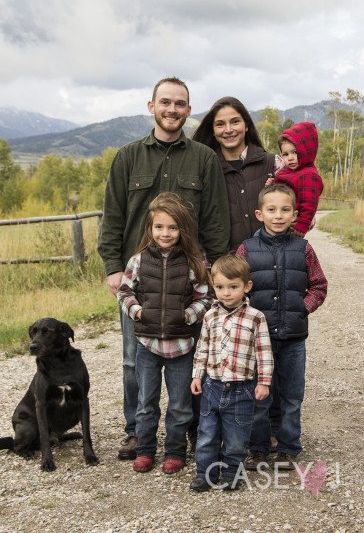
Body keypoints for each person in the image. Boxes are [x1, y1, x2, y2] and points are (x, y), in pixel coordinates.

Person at [98, 77, 230, 460]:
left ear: (189, 111)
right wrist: (112, 268)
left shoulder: (204, 159)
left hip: (189, 282)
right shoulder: (127, 157)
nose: (172, 109)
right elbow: (113, 218)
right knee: (132, 359)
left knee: (189, 358)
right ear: (151, 106)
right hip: (139, 281)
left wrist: (215, 275)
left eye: (180, 104)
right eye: (165, 102)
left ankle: (185, 431)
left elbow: (215, 220)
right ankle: (135, 434)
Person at [117, 193, 212, 474]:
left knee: (180, 405)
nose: (165, 233)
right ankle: (145, 449)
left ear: (181, 230)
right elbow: (124, 291)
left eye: (172, 227)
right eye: (159, 227)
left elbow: (205, 298)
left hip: (182, 346)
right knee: (146, 403)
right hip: (146, 344)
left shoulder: (193, 262)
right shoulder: (138, 261)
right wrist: (137, 312)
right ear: (150, 229)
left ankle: (174, 450)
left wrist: (188, 315)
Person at [236, 183, 327, 470]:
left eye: (285, 210)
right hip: (258, 341)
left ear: (295, 214)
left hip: (293, 338)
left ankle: (288, 448)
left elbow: (319, 285)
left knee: (291, 395)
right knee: (260, 395)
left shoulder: (304, 249)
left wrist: (303, 307)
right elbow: (237, 288)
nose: (278, 215)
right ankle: (259, 447)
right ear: (259, 214)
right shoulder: (247, 249)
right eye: (272, 210)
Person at [189, 254, 273, 492]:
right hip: (212, 386)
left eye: (233, 287)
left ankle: (231, 474)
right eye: (220, 287)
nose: (226, 293)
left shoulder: (255, 318)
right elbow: (202, 347)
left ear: (247, 286)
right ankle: (205, 474)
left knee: (237, 437)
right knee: (206, 435)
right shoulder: (209, 316)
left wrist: (264, 382)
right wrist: (197, 375)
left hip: (242, 388)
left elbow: (264, 352)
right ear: (213, 286)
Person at [192, 96, 284, 251]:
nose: (228, 130)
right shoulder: (203, 169)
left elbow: (298, 209)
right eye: (220, 124)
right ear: (213, 131)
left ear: (246, 125)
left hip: (273, 262)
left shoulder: (274, 164)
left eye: (235, 121)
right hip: (226, 268)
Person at [265, 121, 324, 238]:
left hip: (291, 225)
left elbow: (309, 204)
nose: (290, 158)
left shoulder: (308, 175)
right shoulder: (286, 171)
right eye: (285, 154)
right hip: (278, 217)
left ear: (307, 151)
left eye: (295, 152)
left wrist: (302, 225)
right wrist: (271, 186)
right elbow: (279, 191)